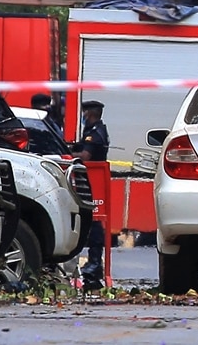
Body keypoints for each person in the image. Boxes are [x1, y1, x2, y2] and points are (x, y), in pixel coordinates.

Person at [73, 100, 110, 290]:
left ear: (90, 114)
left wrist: (72, 155)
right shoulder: (94, 130)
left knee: (94, 221)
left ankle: (95, 264)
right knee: (92, 221)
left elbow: (86, 157)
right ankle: (94, 265)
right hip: (89, 183)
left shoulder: (95, 133)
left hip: (93, 184)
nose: (83, 116)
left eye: (85, 113)